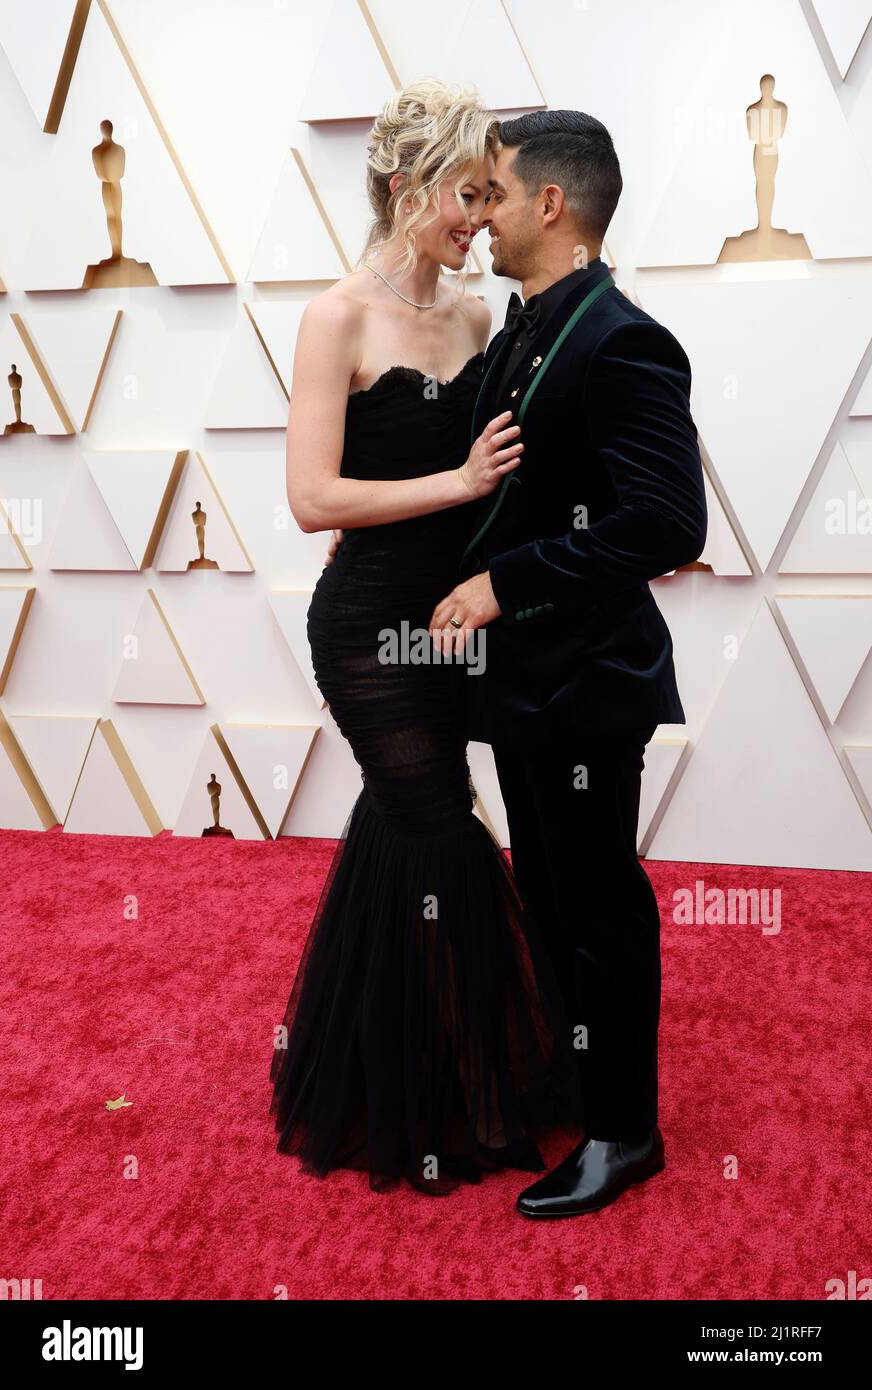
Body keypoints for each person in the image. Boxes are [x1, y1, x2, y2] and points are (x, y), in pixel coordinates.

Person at [269, 80, 582, 1196]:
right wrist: (452, 477)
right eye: (467, 192)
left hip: (456, 618)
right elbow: (312, 498)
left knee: (417, 825)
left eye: (490, 195)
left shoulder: (473, 315)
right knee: (439, 826)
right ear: (406, 187)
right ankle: (446, 1093)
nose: (479, 218)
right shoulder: (334, 317)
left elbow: (508, 481)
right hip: (367, 628)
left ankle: (390, 1063)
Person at [429, 110, 708, 1216]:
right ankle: (578, 1081)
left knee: (597, 901)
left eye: (492, 192)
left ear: (550, 203)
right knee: (545, 888)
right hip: (525, 679)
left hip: (588, 679)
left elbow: (664, 520)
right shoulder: (528, 329)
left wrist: (507, 582)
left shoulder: (622, 338)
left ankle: (624, 1131)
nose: (480, 215)